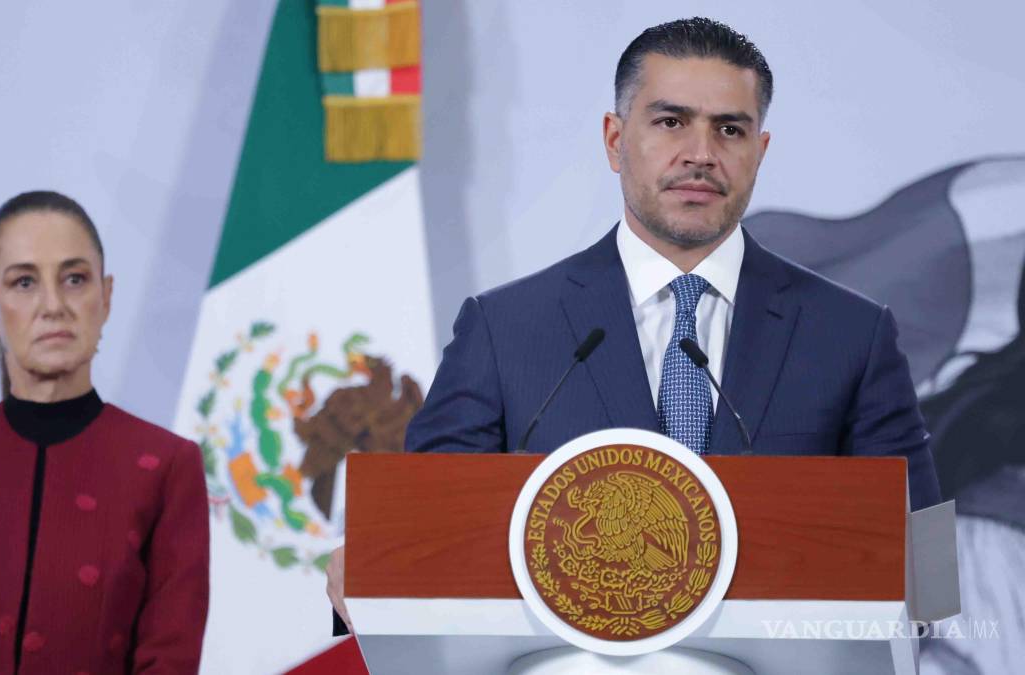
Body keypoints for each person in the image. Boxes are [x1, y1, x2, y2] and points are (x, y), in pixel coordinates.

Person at [327, 17, 942, 632]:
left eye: (729, 129)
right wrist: (375, 566)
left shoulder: (853, 336)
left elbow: (930, 576)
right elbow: (426, 540)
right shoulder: (503, 329)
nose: (701, 154)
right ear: (615, 139)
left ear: (759, 152)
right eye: (671, 122)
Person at [0, 191, 210, 674]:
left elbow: (169, 657)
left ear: (106, 297)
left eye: (75, 279)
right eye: (24, 282)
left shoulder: (165, 467)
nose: (53, 305)